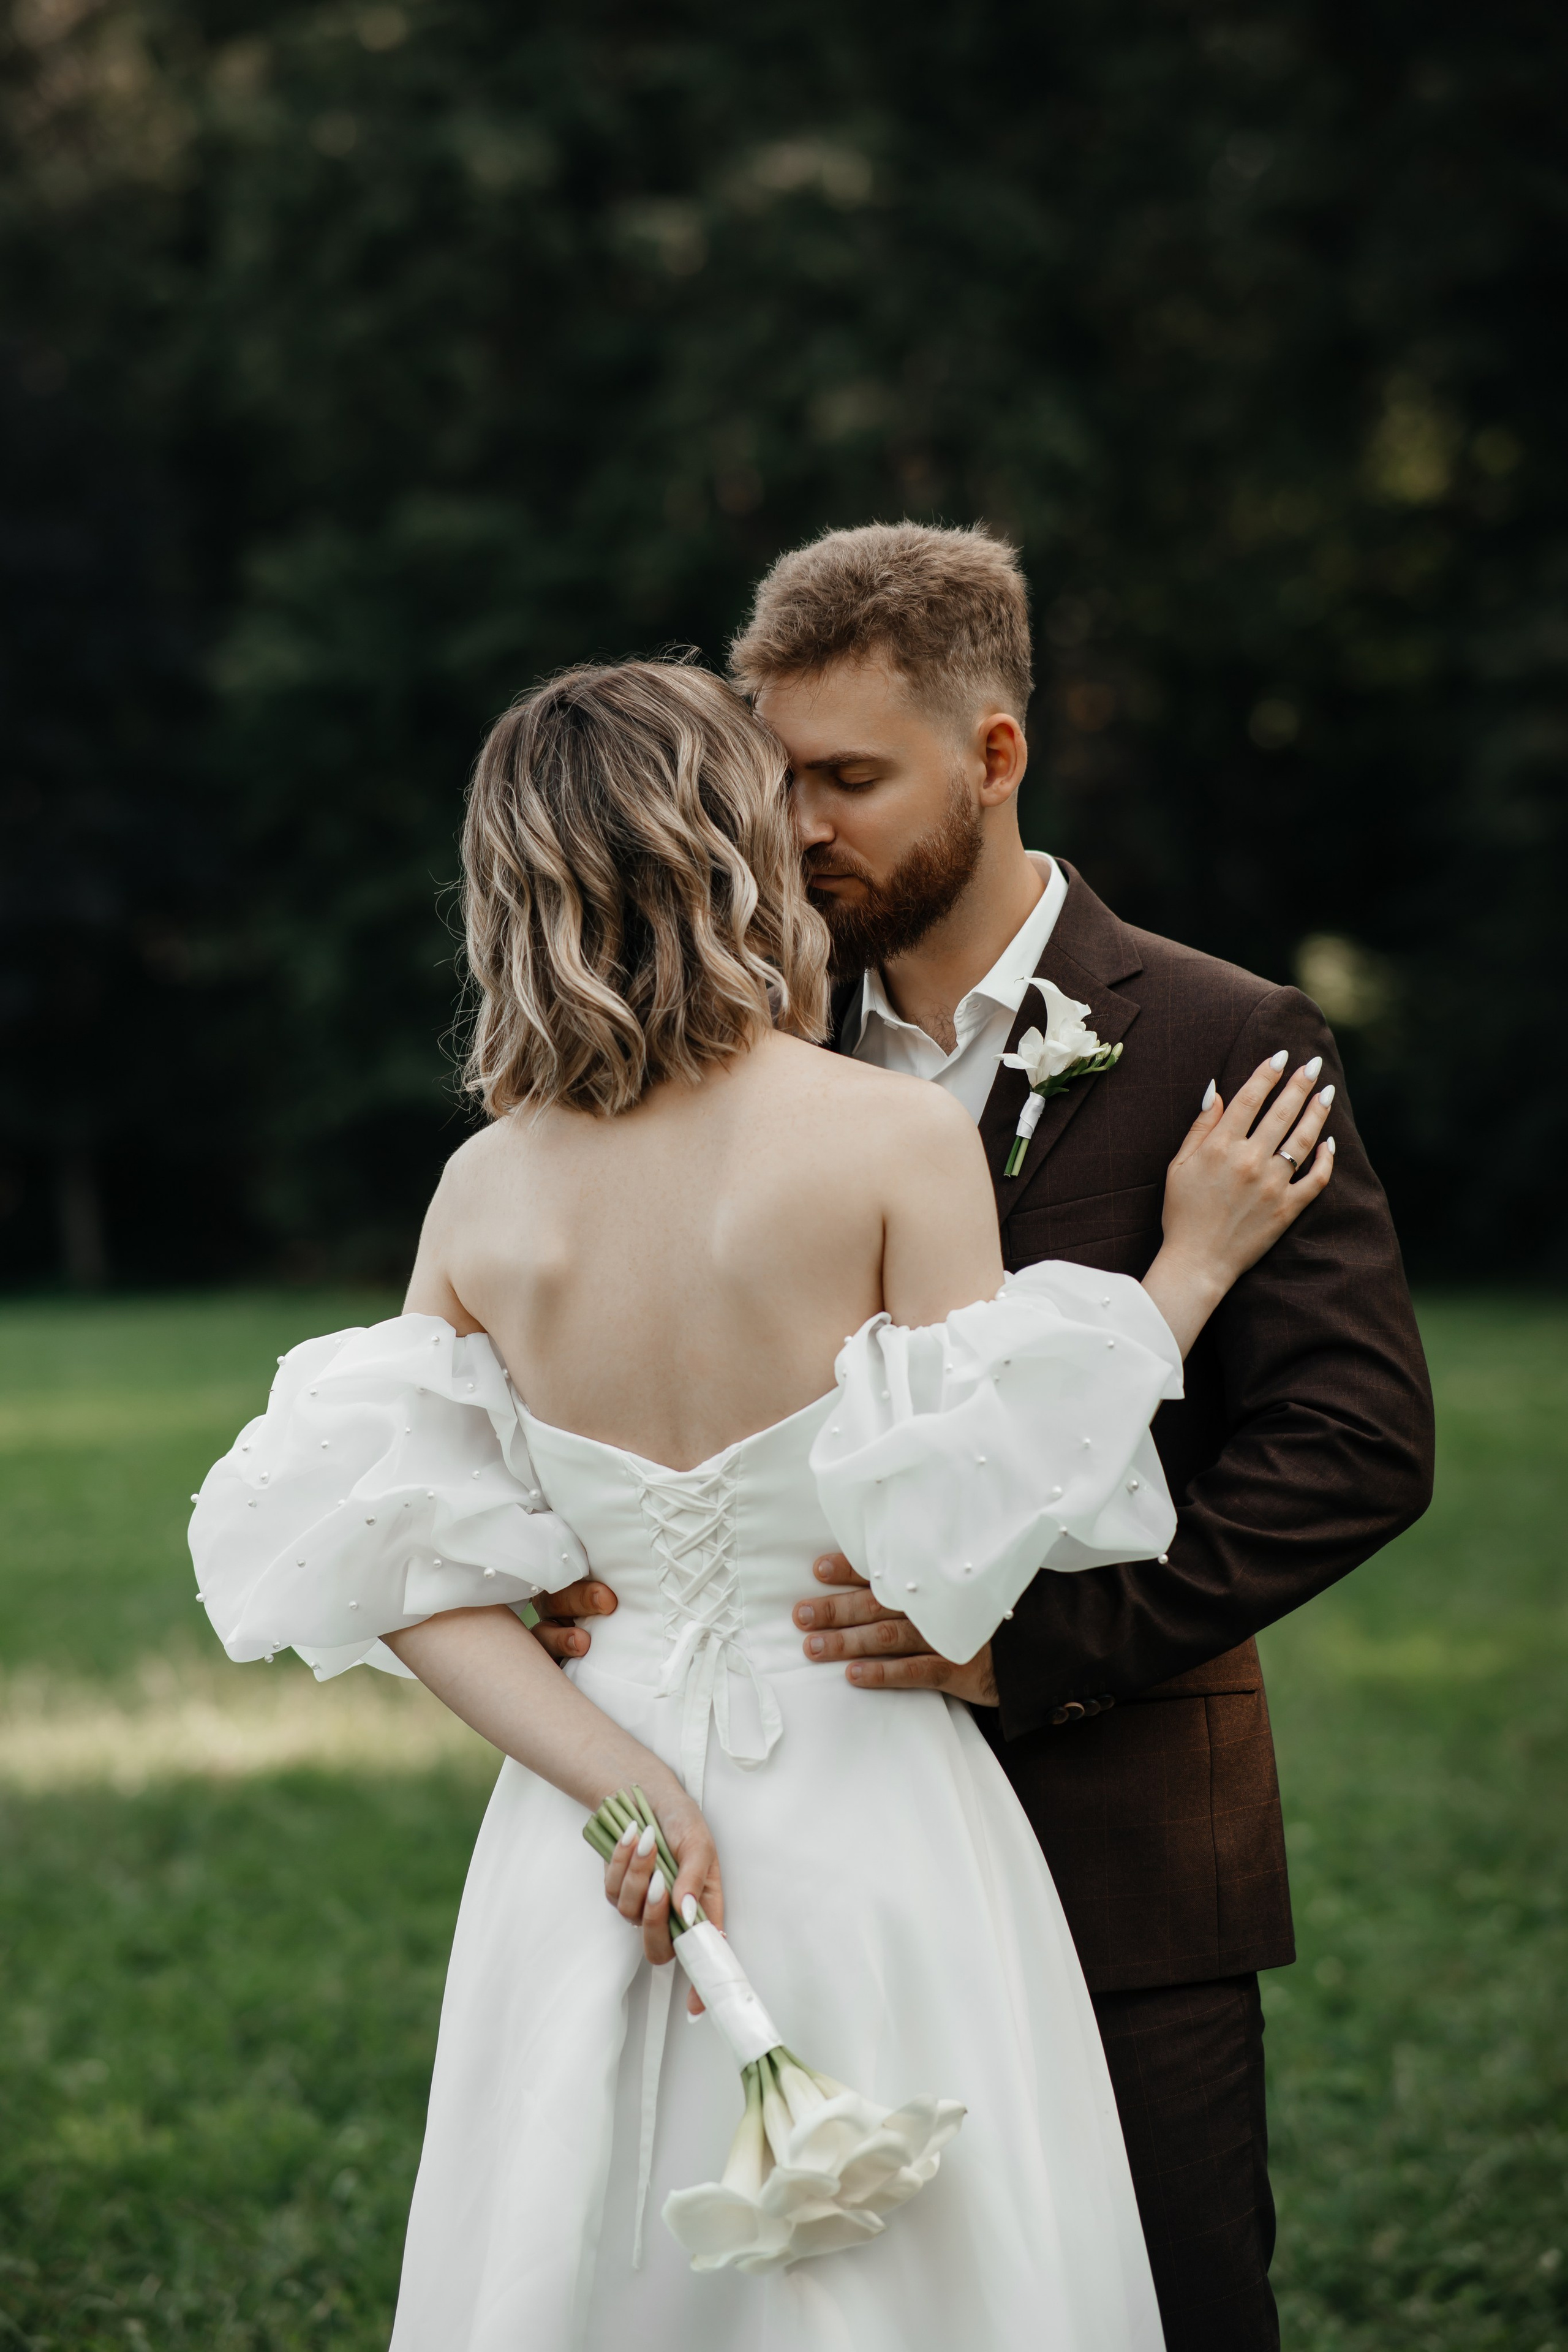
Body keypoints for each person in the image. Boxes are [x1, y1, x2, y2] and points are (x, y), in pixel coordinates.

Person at [190, 657, 1338, 2352]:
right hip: (871, 1789)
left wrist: (622, 1780)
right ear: (739, 854)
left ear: (509, 894)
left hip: (599, 1835)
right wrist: (1188, 1271)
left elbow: (407, 1571)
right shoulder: (887, 1142)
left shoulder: (483, 1188)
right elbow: (985, 1517)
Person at [532, 526, 1436, 2351]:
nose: (793, 833)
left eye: (848, 780)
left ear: (997, 755)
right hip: (815, 1846)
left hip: (1124, 1841)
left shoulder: (1218, 1035)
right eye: (772, 782)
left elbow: (1354, 1441)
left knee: (1159, 2308)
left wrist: (1035, 1656)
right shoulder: (747, 1039)